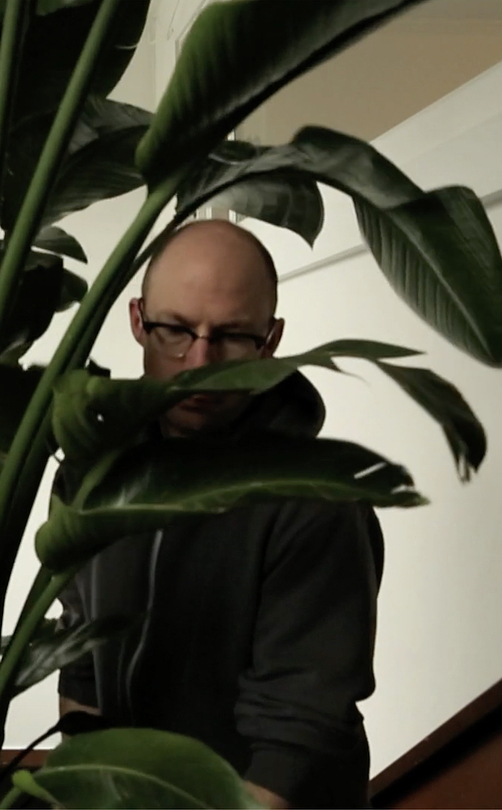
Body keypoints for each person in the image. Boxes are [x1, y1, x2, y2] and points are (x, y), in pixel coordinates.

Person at [55, 219, 384, 809]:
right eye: (175, 331)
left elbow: (297, 735)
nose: (201, 363)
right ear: (137, 321)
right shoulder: (91, 472)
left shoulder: (317, 500)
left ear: (272, 338)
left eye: (231, 338)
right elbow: (79, 659)